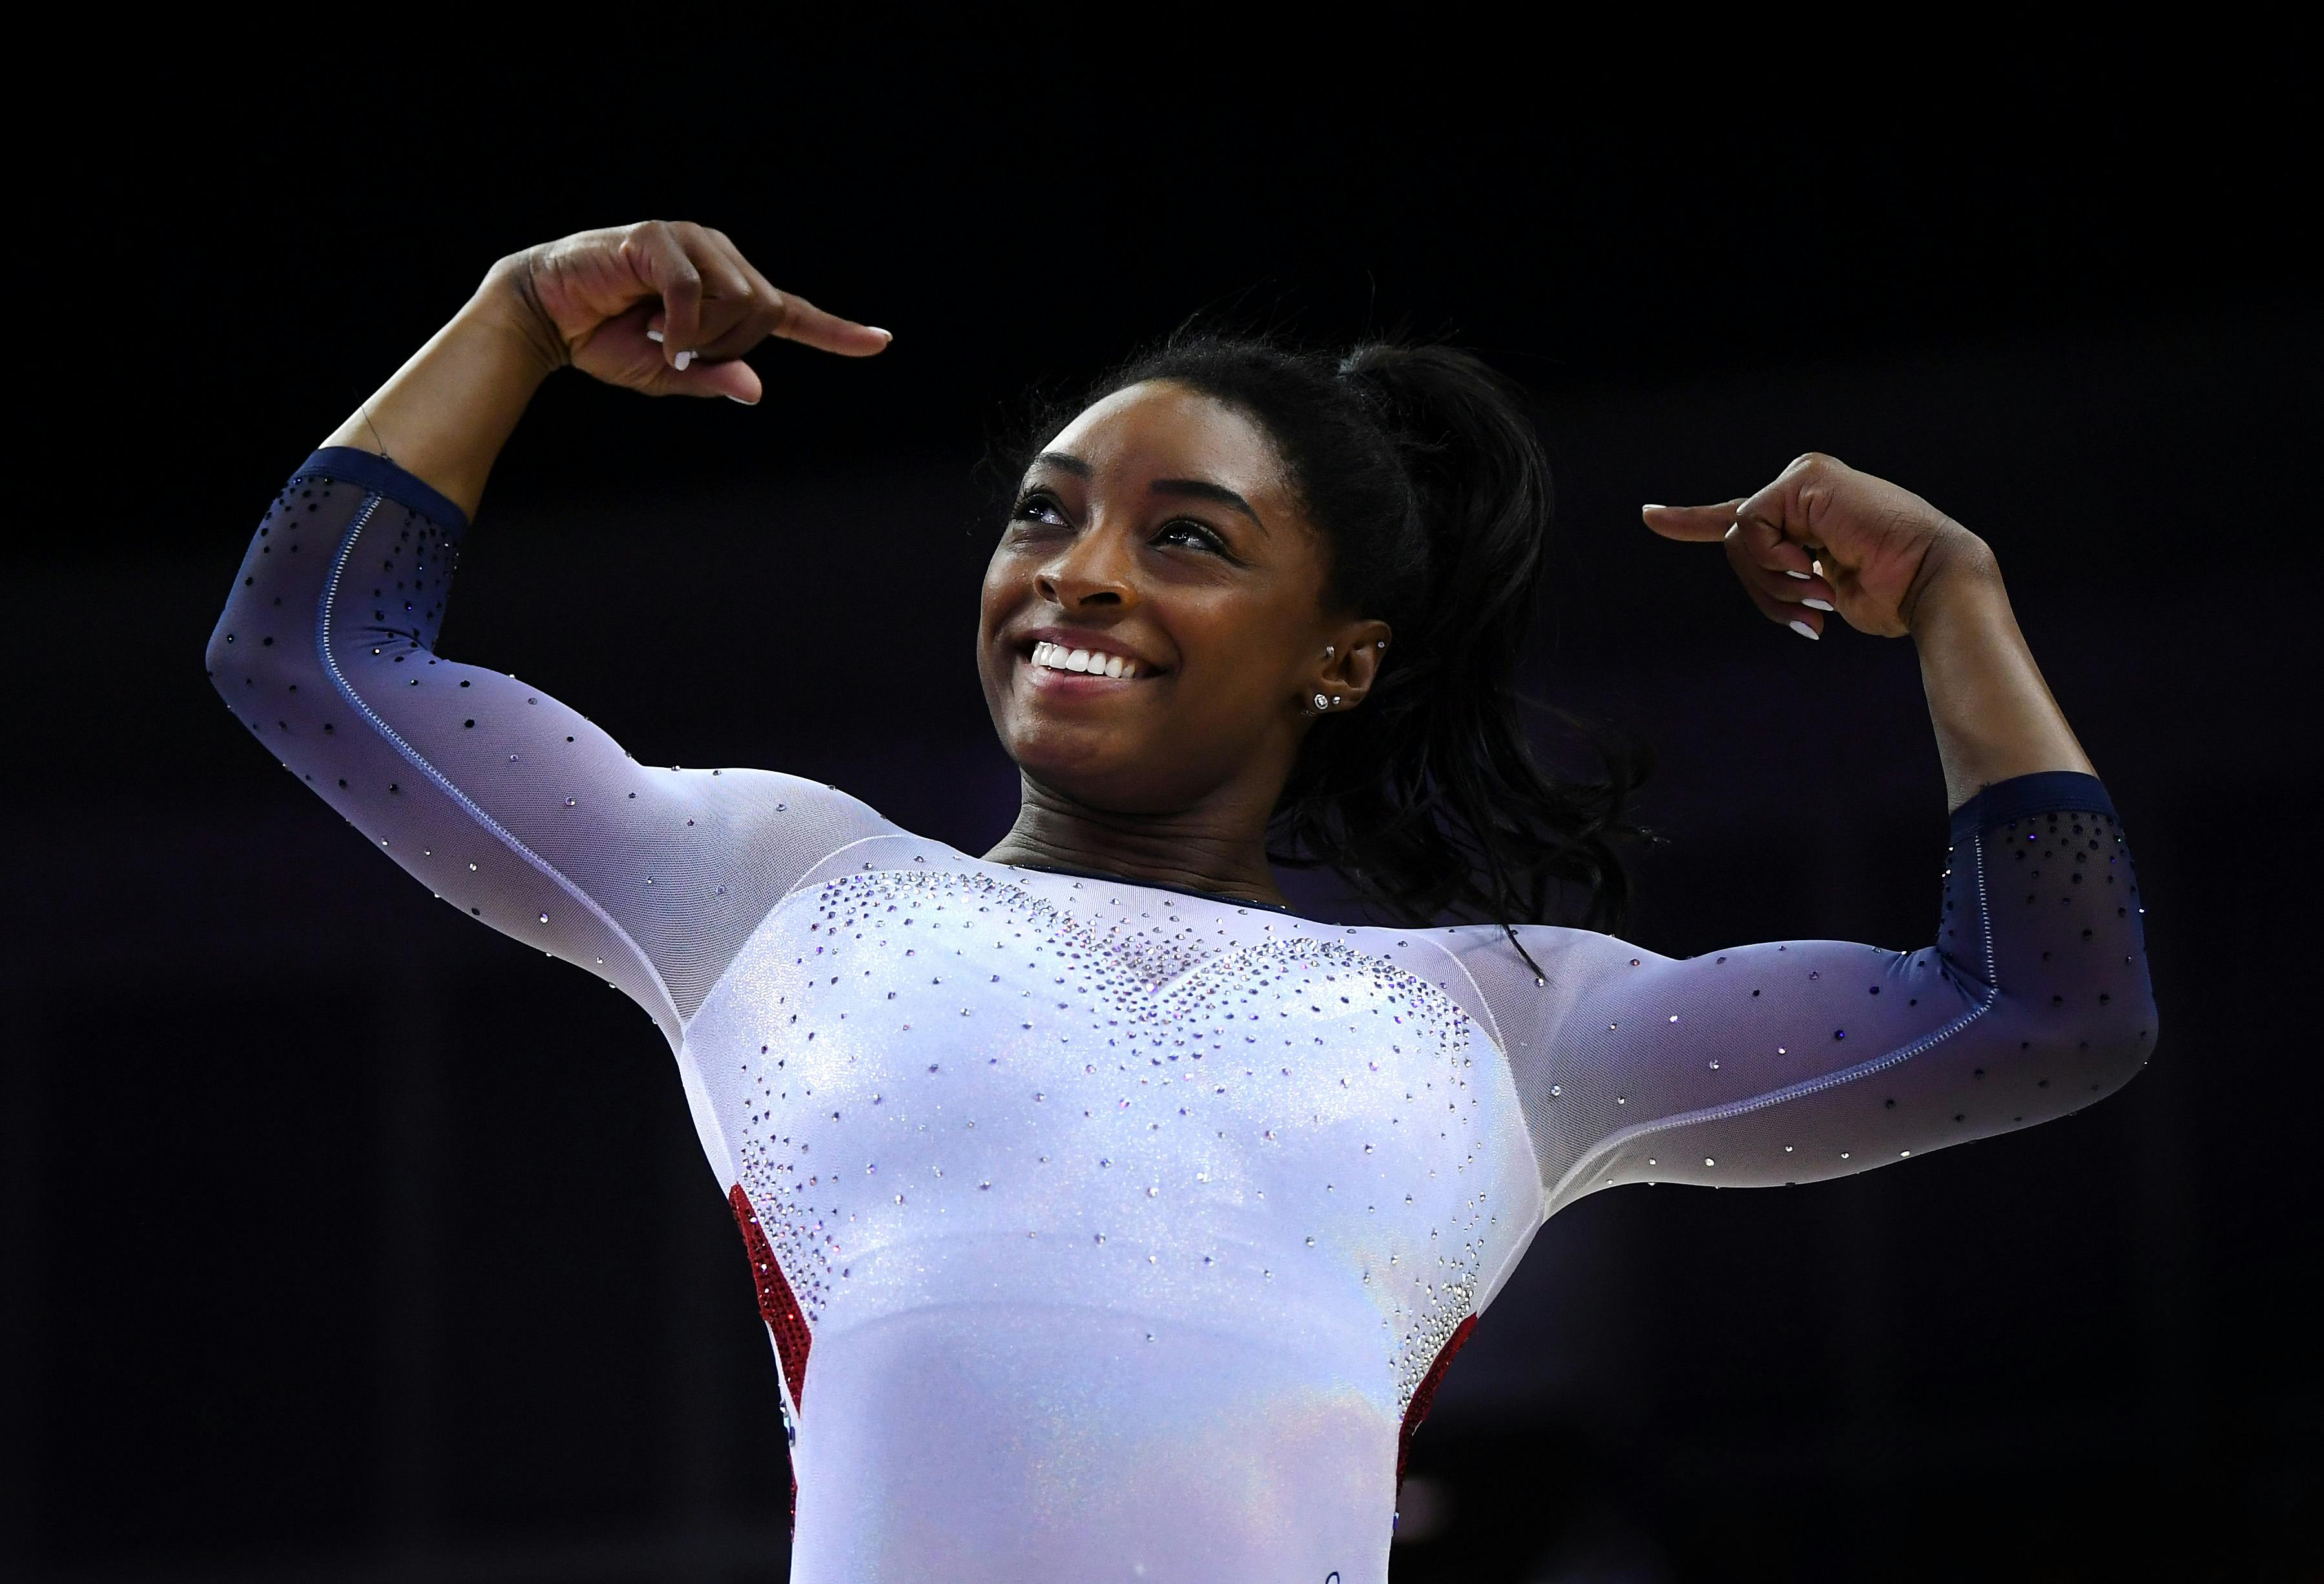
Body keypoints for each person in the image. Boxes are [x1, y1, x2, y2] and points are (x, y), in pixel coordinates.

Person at [203, 220, 2157, 1583]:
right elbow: (310, 660)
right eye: (1043, 513)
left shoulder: (1513, 1024)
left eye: (1187, 539)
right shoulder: (773, 886)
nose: (1082, 574)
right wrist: (517, 318)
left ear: (1343, 656)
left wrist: (1961, 610)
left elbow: (2046, 1016)